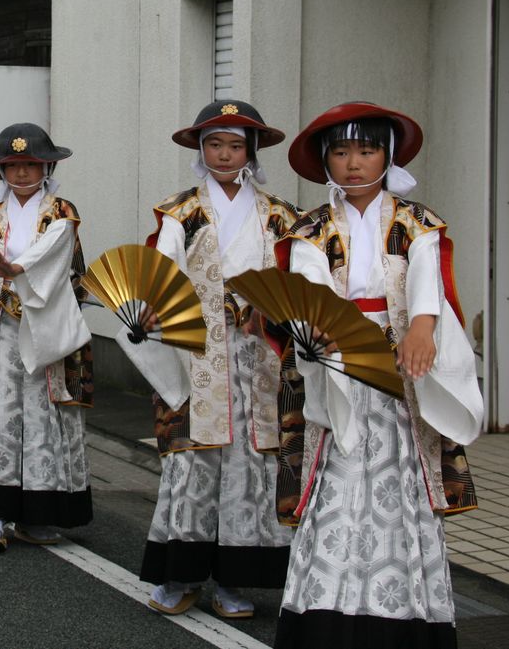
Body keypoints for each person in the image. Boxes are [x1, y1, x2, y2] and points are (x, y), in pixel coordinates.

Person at [274, 102, 483, 648]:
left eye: (367, 150)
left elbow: (425, 281)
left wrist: (422, 327)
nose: (354, 163)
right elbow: (310, 290)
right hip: (339, 367)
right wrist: (327, 336)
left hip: (401, 376)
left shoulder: (418, 222)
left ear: (386, 156)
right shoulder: (311, 229)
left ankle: (407, 618)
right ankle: (326, 616)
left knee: (401, 485)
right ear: (326, 160)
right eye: (341, 152)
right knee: (338, 484)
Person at [119, 101, 300, 618]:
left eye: (236, 145)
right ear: (201, 149)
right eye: (215, 144)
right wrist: (153, 310)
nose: (225, 154)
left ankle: (234, 581)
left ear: (252, 150)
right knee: (193, 460)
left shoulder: (281, 214)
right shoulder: (180, 210)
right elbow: (163, 272)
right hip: (197, 349)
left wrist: (272, 314)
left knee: (250, 464)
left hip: (259, 354)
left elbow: (295, 281)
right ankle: (181, 572)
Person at [0, 123, 93, 551]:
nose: (20, 174)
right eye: (12, 165)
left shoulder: (61, 213)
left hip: (44, 325)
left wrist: (18, 269)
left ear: (47, 165)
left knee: (41, 415)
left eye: (30, 164)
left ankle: (38, 514)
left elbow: (56, 255)